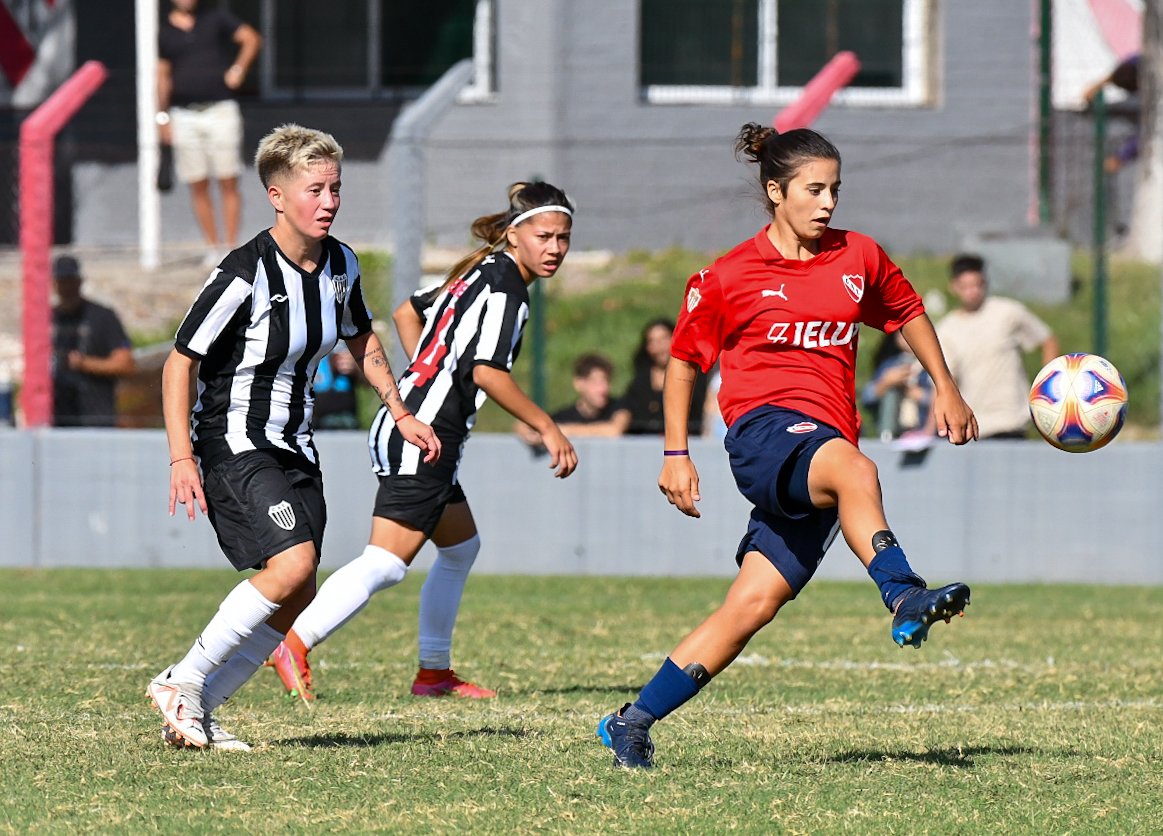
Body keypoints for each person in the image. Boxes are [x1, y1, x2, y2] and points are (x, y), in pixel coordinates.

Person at [595, 123, 978, 770]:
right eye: (813, 189)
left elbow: (907, 311)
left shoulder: (858, 256)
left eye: (834, 189)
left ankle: (629, 722)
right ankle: (902, 592)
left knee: (751, 605)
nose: (827, 203)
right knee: (854, 468)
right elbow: (684, 364)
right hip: (764, 435)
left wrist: (944, 386)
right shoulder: (728, 275)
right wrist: (675, 453)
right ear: (776, 191)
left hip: (822, 451)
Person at [146, 123, 440, 750]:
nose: (330, 201)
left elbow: (360, 337)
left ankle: (200, 708)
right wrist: (181, 456)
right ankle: (183, 678)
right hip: (235, 443)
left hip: (295, 445)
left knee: (299, 591)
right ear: (277, 196)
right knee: (293, 564)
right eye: (316, 189)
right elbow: (180, 361)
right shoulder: (242, 273)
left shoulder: (342, 264)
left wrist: (400, 407)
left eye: (336, 188)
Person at [268, 181, 579, 702]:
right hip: (425, 435)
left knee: (461, 548)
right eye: (544, 235)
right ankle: (295, 641)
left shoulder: (479, 270)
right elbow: (486, 372)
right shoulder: (506, 288)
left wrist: (423, 378)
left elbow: (407, 312)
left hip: (412, 423)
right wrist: (548, 426)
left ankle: (433, 673)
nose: (554, 248)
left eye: (563, 238)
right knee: (387, 562)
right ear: (515, 233)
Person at [157, 0, 262, 265]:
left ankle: (231, 247)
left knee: (228, 179)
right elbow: (162, 75)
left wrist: (238, 70)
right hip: (184, 115)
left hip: (220, 110)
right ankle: (213, 248)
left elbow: (251, 39)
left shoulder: (215, 18)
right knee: (198, 182)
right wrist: (162, 117)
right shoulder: (164, 32)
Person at [936, 253, 1059, 440]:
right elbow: (947, 377)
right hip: (975, 424)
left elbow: (1047, 340)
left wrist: (1047, 387)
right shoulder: (946, 329)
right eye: (966, 287)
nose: (973, 291)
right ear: (954, 287)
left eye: (977, 285)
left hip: (1012, 421)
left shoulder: (1007, 312)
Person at [51, 255, 137, 427]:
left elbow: (126, 364)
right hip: (57, 420)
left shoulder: (102, 316)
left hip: (97, 419)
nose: (67, 287)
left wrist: (85, 364)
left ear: (79, 281)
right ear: (54, 284)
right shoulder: (48, 319)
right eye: (62, 281)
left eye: (70, 280)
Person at [611, 318, 708, 436]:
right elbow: (624, 415)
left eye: (664, 338)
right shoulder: (639, 383)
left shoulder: (696, 376)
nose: (660, 346)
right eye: (653, 341)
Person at [515, 352, 623, 446]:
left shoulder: (621, 408)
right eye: (595, 382)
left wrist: (561, 431)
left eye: (606, 381)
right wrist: (531, 434)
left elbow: (614, 430)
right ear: (579, 383)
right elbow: (523, 426)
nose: (603, 389)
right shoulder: (565, 416)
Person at [862, 330, 932, 442]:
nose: (908, 338)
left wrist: (914, 392)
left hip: (923, 434)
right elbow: (867, 398)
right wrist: (885, 383)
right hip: (891, 434)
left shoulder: (931, 364)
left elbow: (941, 400)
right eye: (901, 333)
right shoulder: (888, 364)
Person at [313, 346, 361, 430]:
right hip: (316, 421)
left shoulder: (346, 350)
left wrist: (356, 367)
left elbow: (368, 383)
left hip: (346, 420)